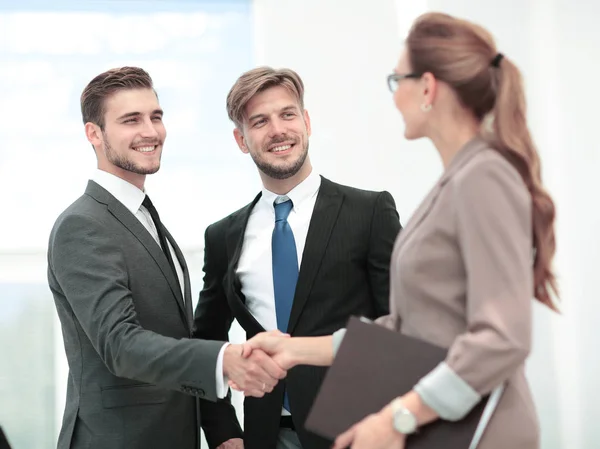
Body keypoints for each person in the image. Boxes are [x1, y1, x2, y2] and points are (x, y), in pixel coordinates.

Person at [238, 12, 559, 449]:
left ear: (427, 87)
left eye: (396, 81)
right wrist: (298, 350)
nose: (394, 98)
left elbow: (502, 339)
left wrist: (397, 418)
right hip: (444, 427)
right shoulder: (454, 183)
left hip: (481, 431)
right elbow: (408, 330)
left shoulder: (484, 176)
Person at [47, 66, 286, 449]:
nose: (150, 131)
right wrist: (223, 360)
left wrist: (219, 430)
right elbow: (120, 344)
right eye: (131, 120)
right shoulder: (83, 224)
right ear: (94, 133)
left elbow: (178, 338)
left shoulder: (146, 220)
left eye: (155, 117)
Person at [193, 66, 402, 449]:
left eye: (287, 114)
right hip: (265, 434)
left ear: (305, 122)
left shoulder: (369, 211)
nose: (277, 130)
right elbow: (206, 342)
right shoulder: (223, 236)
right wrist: (223, 432)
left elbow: (404, 325)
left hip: (361, 430)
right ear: (241, 140)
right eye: (260, 122)